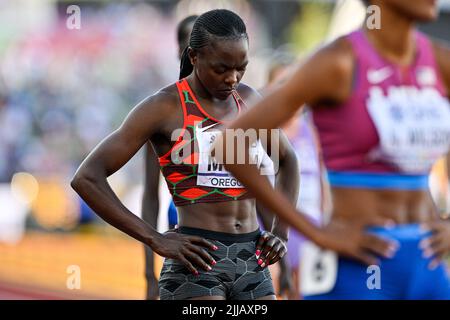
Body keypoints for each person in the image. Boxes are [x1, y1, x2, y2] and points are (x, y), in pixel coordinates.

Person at [218, 0, 450, 299]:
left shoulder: (440, 61)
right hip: (361, 267)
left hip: (427, 265)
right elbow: (230, 142)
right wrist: (316, 233)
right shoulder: (338, 61)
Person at [71, 9, 299, 300]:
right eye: (221, 68)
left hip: (252, 261)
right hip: (197, 262)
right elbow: (87, 178)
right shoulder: (164, 108)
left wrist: (280, 233)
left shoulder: (251, 101)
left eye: (240, 67)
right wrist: (154, 239)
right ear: (193, 57)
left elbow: (288, 161)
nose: (232, 78)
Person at [141, 14, 198, 300]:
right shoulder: (161, 110)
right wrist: (149, 274)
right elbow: (151, 196)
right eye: (193, 42)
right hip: (183, 238)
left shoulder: (238, 106)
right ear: (183, 52)